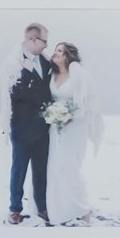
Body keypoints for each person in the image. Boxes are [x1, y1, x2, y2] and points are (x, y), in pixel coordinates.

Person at [3, 23, 53, 225]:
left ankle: (42, 207)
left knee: (41, 169)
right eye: (44, 41)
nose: (46, 45)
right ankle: (15, 209)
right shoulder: (13, 62)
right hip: (22, 127)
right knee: (19, 169)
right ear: (32, 40)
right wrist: (27, 76)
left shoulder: (46, 62)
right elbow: (12, 94)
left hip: (43, 127)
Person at [43, 41, 96, 225]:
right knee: (55, 167)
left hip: (74, 127)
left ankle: (82, 209)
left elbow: (84, 103)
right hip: (55, 127)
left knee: (70, 167)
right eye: (55, 50)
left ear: (67, 56)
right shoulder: (52, 73)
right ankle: (60, 209)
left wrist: (68, 117)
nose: (55, 53)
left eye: (60, 51)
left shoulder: (77, 73)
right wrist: (53, 115)